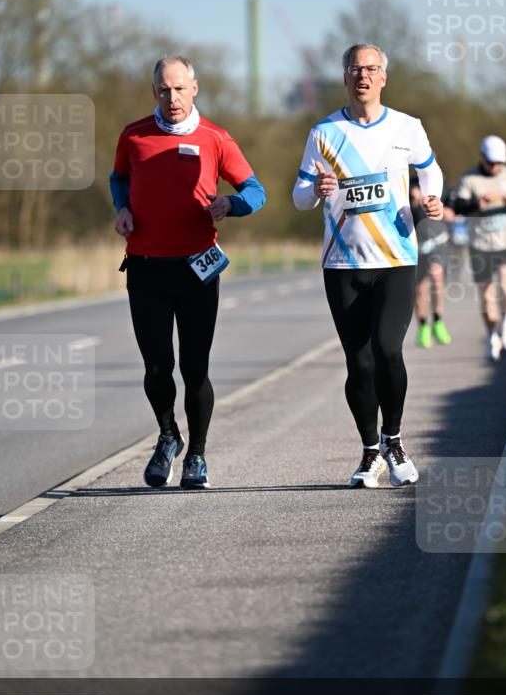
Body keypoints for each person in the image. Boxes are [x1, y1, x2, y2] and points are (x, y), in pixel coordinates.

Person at [110, 55, 266, 489]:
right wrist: (121, 207)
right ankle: (167, 436)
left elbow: (256, 191)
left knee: (195, 368)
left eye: (179, 88)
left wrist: (230, 205)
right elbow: (118, 177)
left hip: (198, 269)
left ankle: (196, 455)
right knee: (157, 366)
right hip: (145, 268)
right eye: (163, 89)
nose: (172, 97)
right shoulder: (134, 135)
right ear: (154, 91)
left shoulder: (215, 137)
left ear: (194, 88)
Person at [292, 43, 444, 488]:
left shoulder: (407, 127)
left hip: (396, 257)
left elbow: (430, 171)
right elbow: (299, 197)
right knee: (358, 363)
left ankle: (394, 441)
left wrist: (432, 197)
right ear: (345, 77)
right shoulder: (324, 132)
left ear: (383, 78)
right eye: (356, 69)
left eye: (372, 69)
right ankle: (370, 452)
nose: (364, 76)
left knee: (388, 349)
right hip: (342, 262)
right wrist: (317, 189)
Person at [454, 136, 506, 362]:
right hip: (480, 245)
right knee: (488, 300)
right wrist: (477, 204)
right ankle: (491, 335)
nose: (496, 167)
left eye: (499, 163)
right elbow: (457, 206)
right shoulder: (469, 179)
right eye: (491, 163)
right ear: (482, 158)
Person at [410, 175, 455, 347]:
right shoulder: (409, 184)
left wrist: (451, 212)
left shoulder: (443, 185)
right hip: (417, 244)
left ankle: (437, 320)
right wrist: (412, 203)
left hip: (438, 241)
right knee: (420, 289)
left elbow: (454, 208)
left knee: (437, 277)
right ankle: (423, 326)